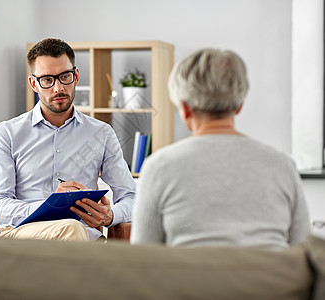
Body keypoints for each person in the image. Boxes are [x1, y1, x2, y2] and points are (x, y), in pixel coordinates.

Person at [130, 48, 310, 248]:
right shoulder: (282, 165)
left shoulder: (159, 167)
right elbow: (304, 253)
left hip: (191, 279)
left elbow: (143, 261)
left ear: (185, 108)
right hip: (270, 279)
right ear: (239, 105)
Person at [0, 38, 135, 241]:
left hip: (84, 238)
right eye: (47, 80)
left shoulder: (102, 133)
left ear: (75, 76)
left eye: (65, 76)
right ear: (34, 83)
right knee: (71, 229)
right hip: (23, 237)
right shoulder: (7, 133)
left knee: (74, 231)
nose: (58, 88)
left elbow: (131, 197)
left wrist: (111, 216)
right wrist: (51, 205)